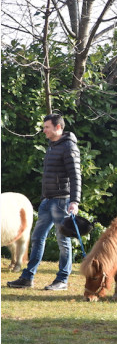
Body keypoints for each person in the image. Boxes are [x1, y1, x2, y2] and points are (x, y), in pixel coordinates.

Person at [7, 113, 81, 291]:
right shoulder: (52, 146)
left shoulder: (69, 147)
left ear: (58, 127)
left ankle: (62, 280)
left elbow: (76, 175)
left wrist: (74, 201)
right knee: (37, 238)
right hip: (47, 202)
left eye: (46, 127)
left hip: (62, 202)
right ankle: (27, 278)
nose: (43, 130)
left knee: (63, 241)